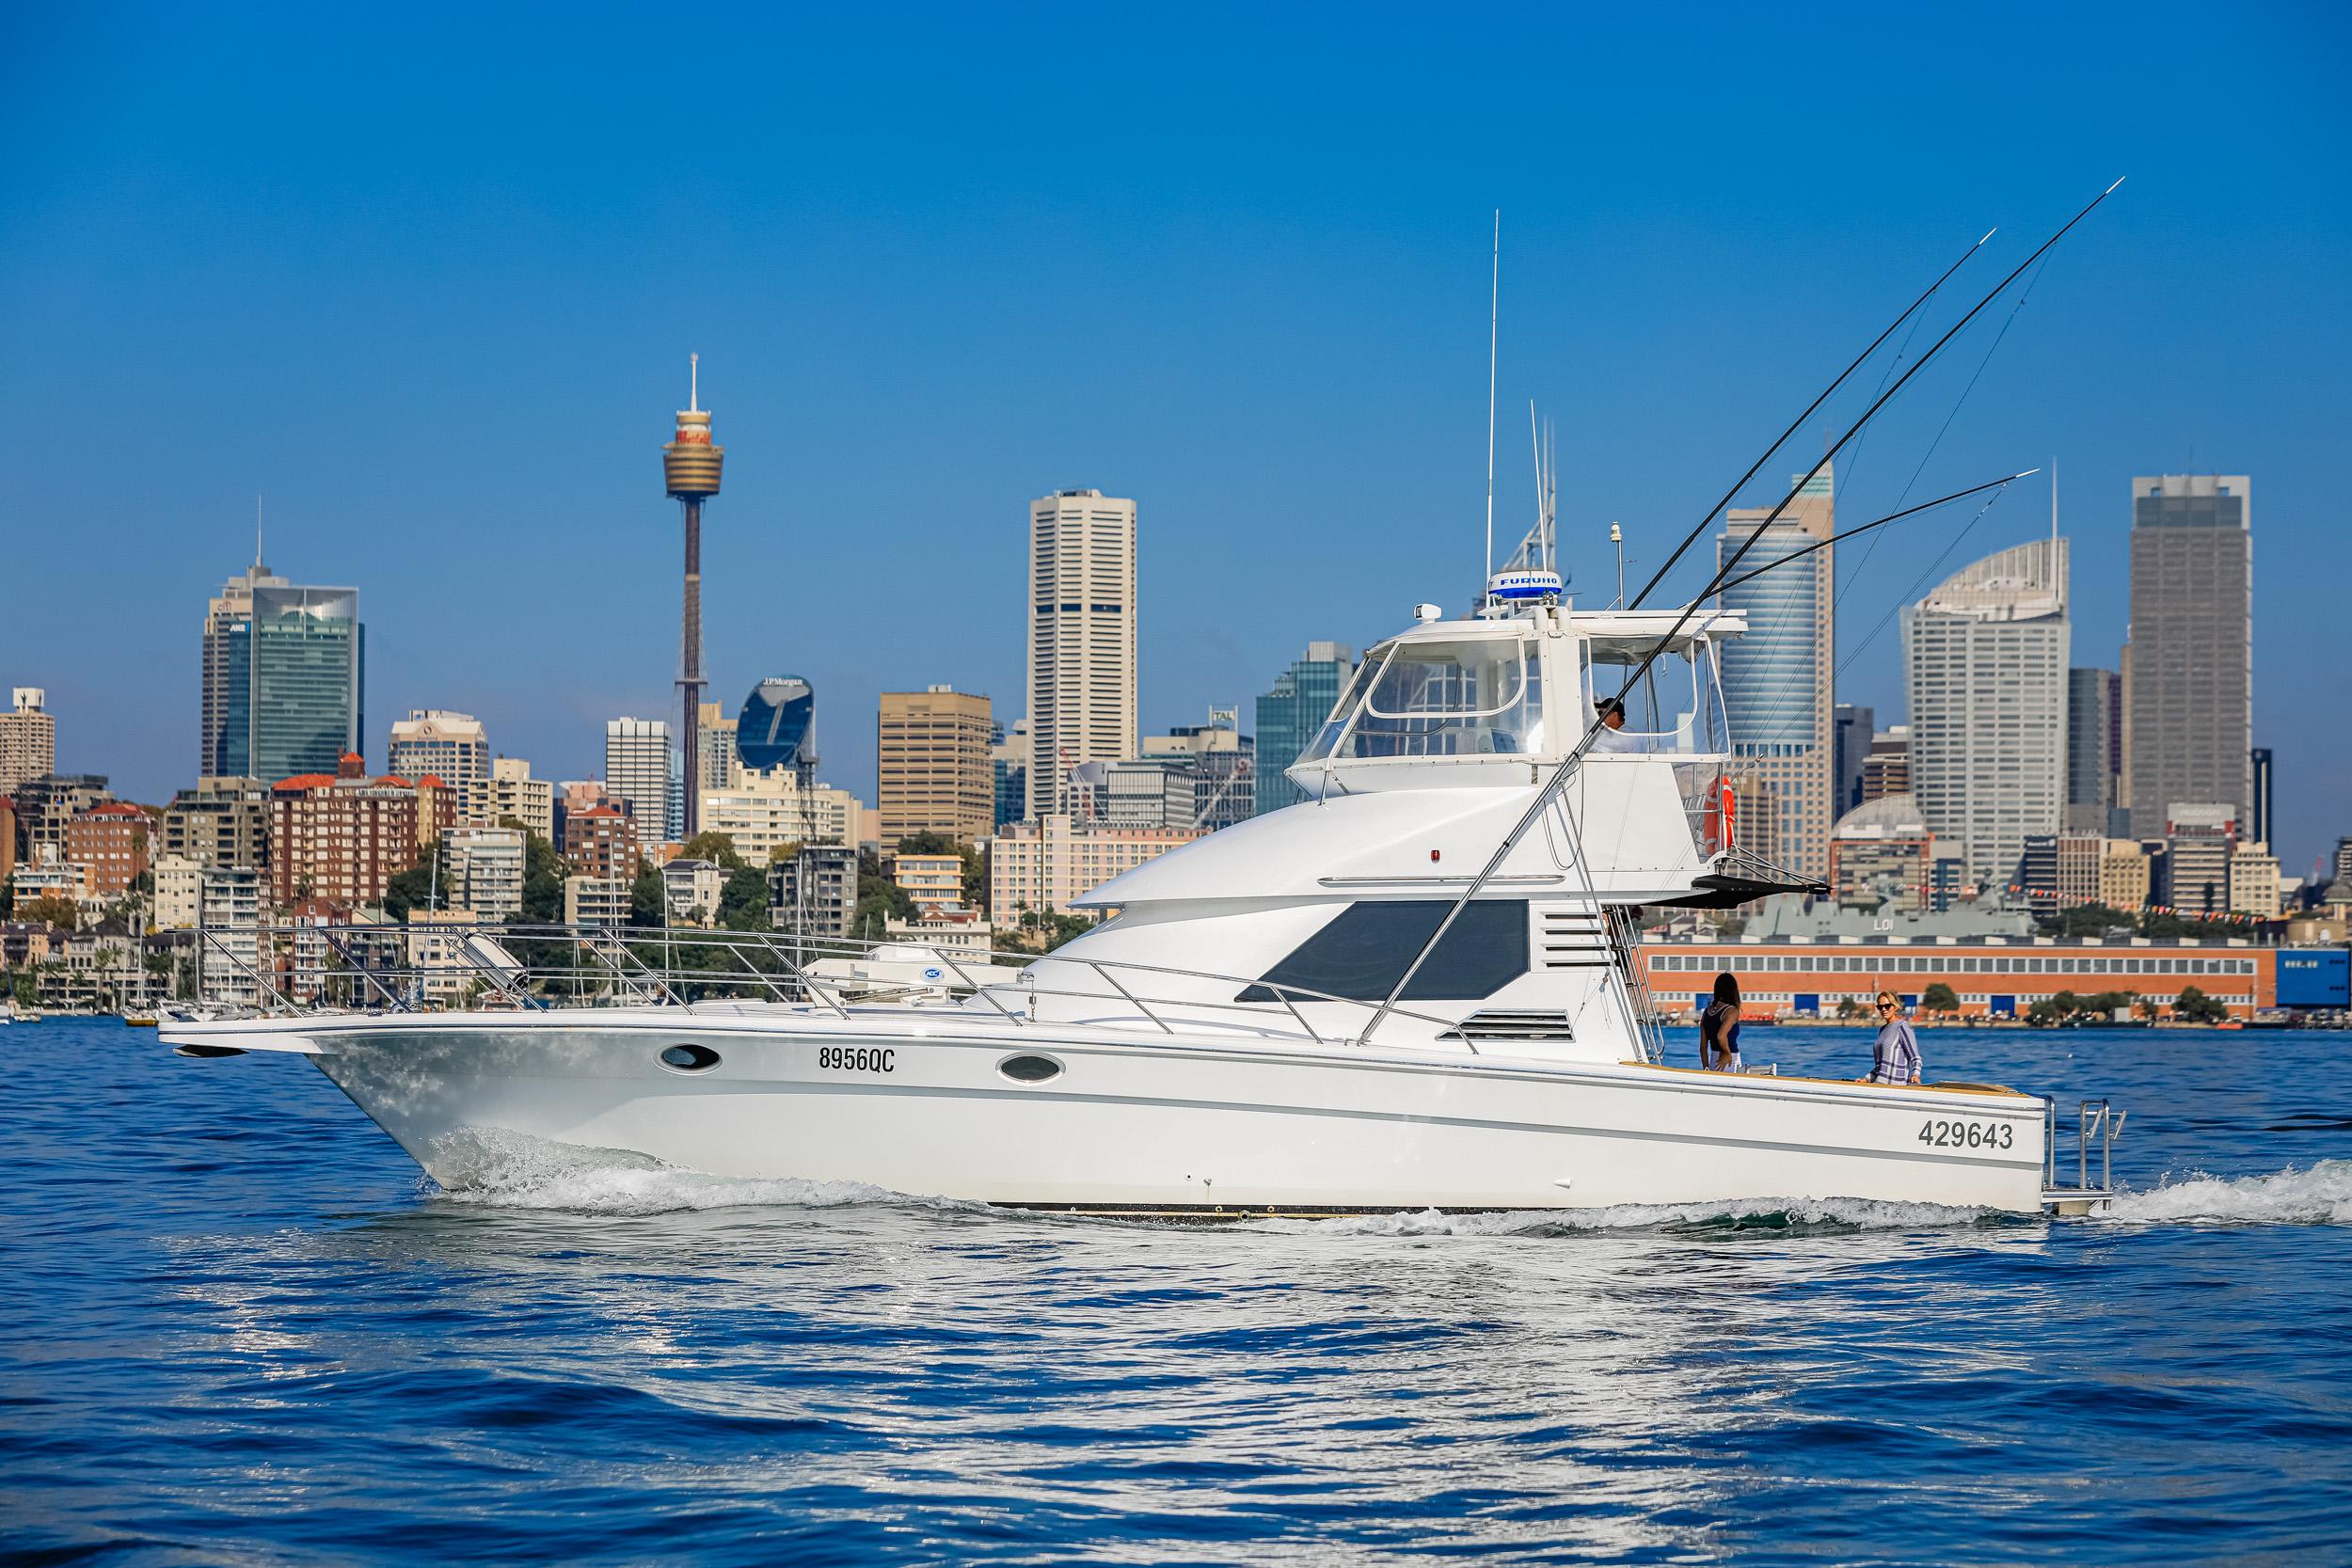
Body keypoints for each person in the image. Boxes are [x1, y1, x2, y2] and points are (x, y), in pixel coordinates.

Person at [1866, 991, 1923, 1085]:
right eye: (1880, 1007)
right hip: (1879, 1085)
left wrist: (1915, 1074)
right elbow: (1881, 1066)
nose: (1883, 1009)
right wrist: (1867, 1079)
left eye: (1887, 1006)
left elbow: (1915, 1057)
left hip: (1896, 1087)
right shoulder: (1882, 1030)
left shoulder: (1902, 1026)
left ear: (1895, 1007)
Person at [1699, 973, 1742, 1071]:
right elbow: (1721, 1036)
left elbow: (1703, 1047)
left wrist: (1706, 1068)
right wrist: (1727, 1052)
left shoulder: (1707, 1012)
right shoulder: (1732, 1011)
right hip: (1729, 1059)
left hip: (1713, 1060)